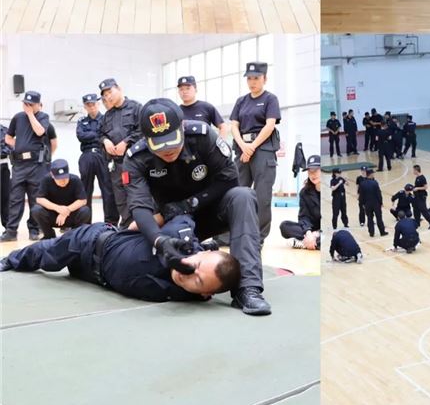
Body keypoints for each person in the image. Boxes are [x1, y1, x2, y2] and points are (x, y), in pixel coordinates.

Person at [123, 98, 270, 315]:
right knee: (141, 232)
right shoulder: (136, 158)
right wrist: (159, 240)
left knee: (243, 196)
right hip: (173, 223)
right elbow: (139, 207)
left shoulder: (202, 136)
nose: (168, 150)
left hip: (209, 211)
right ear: (146, 139)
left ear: (182, 127)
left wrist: (187, 205)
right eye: (159, 145)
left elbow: (229, 179)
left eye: (172, 141)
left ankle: (248, 288)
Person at [0, 214, 241, 303]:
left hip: (91, 276)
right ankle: (9, 260)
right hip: (90, 242)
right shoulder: (178, 237)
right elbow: (180, 215)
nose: (188, 273)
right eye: (196, 265)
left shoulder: (188, 296)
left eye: (198, 281)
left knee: (67, 271)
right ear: (201, 253)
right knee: (47, 256)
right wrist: (156, 230)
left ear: (205, 294)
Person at [229, 62, 281, 245]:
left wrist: (252, 147)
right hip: (242, 149)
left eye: (256, 78)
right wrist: (243, 145)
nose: (252, 82)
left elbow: (270, 125)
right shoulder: (241, 101)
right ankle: (230, 234)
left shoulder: (270, 99)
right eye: (249, 78)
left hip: (263, 150)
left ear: (265, 79)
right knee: (236, 193)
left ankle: (257, 237)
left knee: (262, 196)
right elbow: (234, 125)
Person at [1, 91, 51, 242]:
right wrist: (19, 145)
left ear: (38, 105)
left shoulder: (43, 117)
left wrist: (30, 114)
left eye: (31, 104)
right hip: (19, 165)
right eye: (25, 104)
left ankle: (34, 229)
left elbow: (40, 131)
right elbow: (8, 137)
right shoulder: (17, 117)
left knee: (35, 199)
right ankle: (11, 231)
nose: (27, 106)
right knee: (15, 198)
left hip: (36, 165)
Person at [99, 78, 142, 228]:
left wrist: (126, 142)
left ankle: (141, 224)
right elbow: (101, 134)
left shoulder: (136, 108)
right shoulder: (108, 115)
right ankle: (126, 226)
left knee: (136, 194)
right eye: (105, 95)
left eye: (110, 92)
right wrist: (105, 141)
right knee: (120, 198)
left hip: (135, 161)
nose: (108, 97)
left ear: (119, 89)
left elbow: (143, 130)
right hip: (116, 164)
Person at [76, 93, 118, 226]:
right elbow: (81, 136)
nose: (91, 107)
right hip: (87, 155)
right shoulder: (82, 121)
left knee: (107, 189)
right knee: (85, 190)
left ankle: (110, 222)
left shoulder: (106, 118)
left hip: (102, 155)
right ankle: (84, 223)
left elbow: (108, 134)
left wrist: (92, 135)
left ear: (98, 104)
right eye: (88, 105)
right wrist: (98, 134)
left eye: (93, 104)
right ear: (85, 107)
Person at [32, 159, 91, 239]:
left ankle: (73, 236)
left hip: (70, 215)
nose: (63, 181)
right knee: (36, 210)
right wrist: (57, 208)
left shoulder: (75, 180)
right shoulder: (46, 180)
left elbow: (83, 200)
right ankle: (49, 235)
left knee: (85, 211)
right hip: (53, 216)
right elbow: (39, 199)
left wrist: (67, 210)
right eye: (59, 179)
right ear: (52, 175)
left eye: (65, 178)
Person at [280, 154, 321, 249]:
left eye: (315, 171)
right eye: (310, 171)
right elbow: (304, 217)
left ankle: (304, 243)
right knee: (284, 226)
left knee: (332, 236)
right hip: (311, 229)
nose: (312, 174)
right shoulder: (304, 193)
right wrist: (308, 232)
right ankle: (312, 242)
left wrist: (317, 233)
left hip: (324, 230)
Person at [359, 167, 387, 237]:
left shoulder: (362, 184)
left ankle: (371, 233)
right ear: (370, 174)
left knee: (369, 218)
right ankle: (382, 232)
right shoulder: (375, 183)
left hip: (367, 204)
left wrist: (362, 204)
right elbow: (378, 194)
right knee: (379, 217)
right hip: (376, 203)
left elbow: (361, 195)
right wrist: (381, 202)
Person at [0, 124, 11, 228]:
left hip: (2, 165)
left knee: (5, 196)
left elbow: (11, 147)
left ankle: (7, 225)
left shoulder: (5, 130)